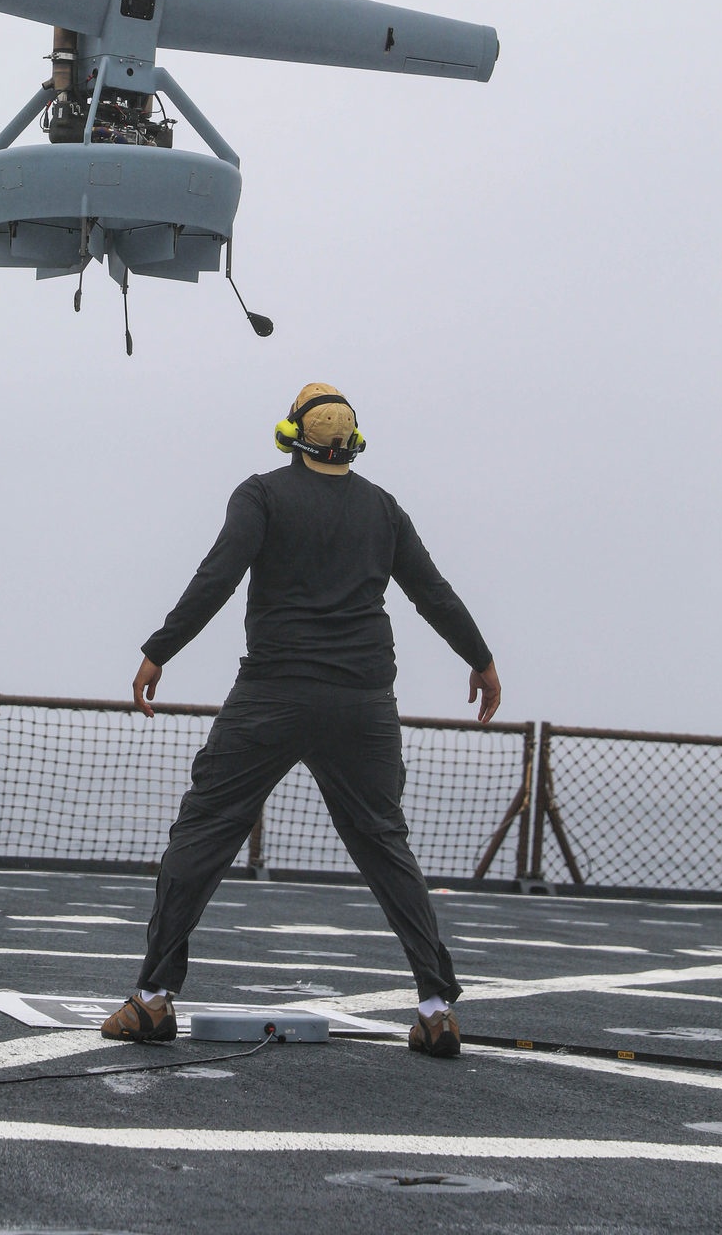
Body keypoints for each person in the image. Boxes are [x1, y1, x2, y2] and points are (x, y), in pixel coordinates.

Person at [101, 383, 501, 1060]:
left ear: (291, 434)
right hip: (363, 702)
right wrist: (481, 659)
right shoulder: (383, 508)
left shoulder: (261, 495)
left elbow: (219, 575)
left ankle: (153, 999)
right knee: (384, 844)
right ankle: (437, 1009)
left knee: (203, 833)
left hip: (273, 695)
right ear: (353, 442)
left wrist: (159, 649)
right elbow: (431, 591)